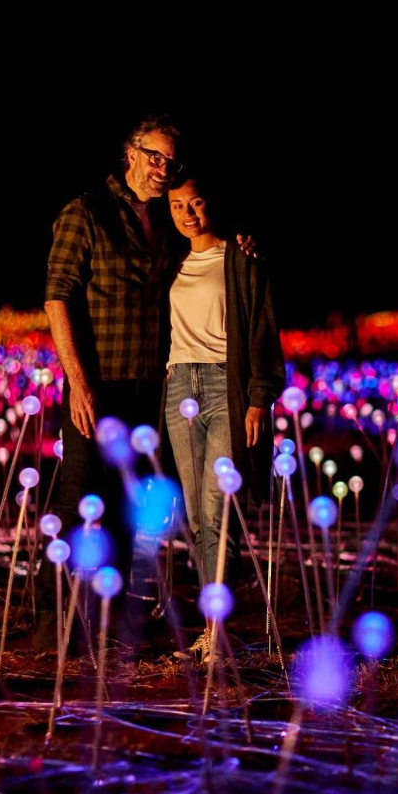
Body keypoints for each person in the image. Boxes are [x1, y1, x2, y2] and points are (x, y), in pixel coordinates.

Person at [34, 116, 180, 652]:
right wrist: (78, 383)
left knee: (124, 512)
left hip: (148, 389)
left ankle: (110, 622)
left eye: (170, 160)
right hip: (98, 387)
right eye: (154, 156)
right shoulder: (86, 212)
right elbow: (57, 297)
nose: (162, 169)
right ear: (130, 154)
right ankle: (56, 628)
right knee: (77, 505)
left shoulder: (166, 222)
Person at [156, 174, 285, 652]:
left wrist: (258, 396)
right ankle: (213, 627)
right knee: (194, 516)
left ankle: (219, 630)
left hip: (223, 386)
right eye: (177, 206)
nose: (188, 214)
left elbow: (262, 329)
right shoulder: (166, 262)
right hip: (178, 388)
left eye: (196, 202)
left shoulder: (241, 258)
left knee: (219, 511)